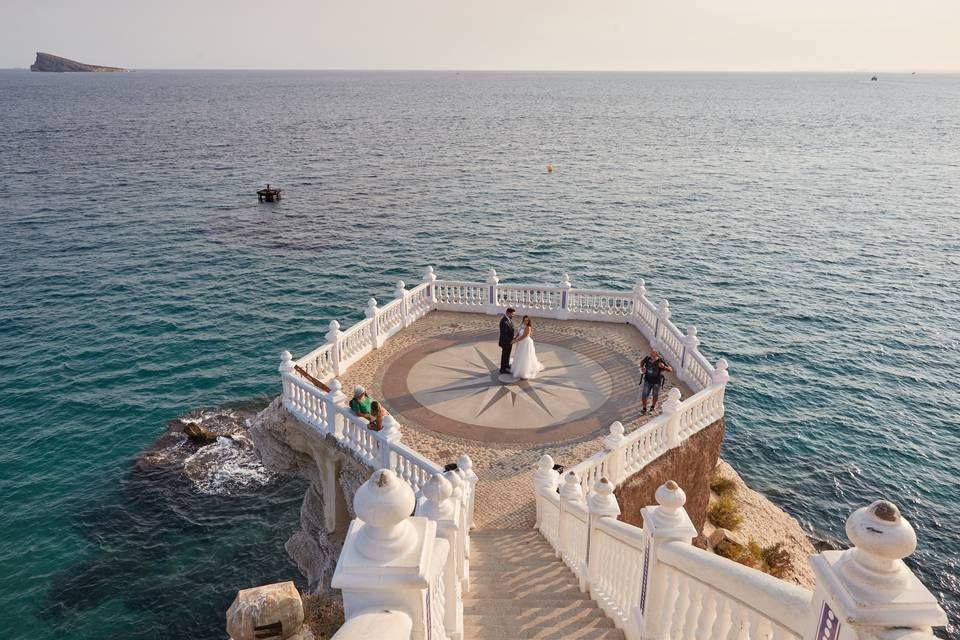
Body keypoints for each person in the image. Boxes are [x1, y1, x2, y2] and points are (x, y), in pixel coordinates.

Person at [639, 349, 673, 414]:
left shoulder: (661, 361)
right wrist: (643, 368)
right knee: (644, 395)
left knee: (655, 395)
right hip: (647, 380)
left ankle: (652, 407)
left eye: (653, 355)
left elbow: (670, 370)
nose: (652, 357)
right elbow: (641, 364)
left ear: (657, 355)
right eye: (651, 355)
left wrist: (664, 367)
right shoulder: (647, 358)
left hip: (656, 382)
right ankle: (644, 408)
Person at [511, 315, 544, 380]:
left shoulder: (528, 327)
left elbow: (524, 336)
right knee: (519, 355)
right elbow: (518, 333)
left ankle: (524, 370)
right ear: (523, 320)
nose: (526, 321)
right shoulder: (521, 326)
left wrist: (515, 340)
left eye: (527, 320)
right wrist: (515, 337)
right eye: (525, 320)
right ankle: (517, 367)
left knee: (525, 356)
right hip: (520, 342)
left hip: (525, 343)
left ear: (529, 321)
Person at [498, 307, 517, 374]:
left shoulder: (508, 319)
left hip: (509, 341)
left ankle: (506, 365)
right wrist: (510, 341)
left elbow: (510, 330)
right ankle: (502, 369)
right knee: (504, 355)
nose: (513, 315)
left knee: (507, 354)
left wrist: (513, 337)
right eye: (512, 314)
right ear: (508, 313)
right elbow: (504, 334)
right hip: (505, 342)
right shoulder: (503, 321)